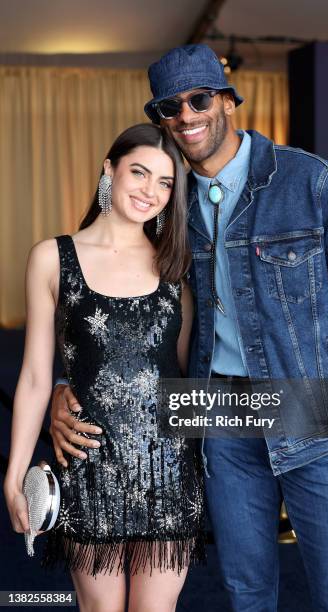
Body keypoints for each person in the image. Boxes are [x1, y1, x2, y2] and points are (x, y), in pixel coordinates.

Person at [48, 45, 328, 611]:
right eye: (170, 106)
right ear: (159, 118)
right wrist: (65, 387)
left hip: (320, 413)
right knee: (246, 593)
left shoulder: (310, 183)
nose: (187, 115)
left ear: (228, 101)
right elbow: (112, 308)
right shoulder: (164, 203)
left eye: (200, 98)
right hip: (218, 420)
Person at [4, 123, 205, 612]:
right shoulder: (52, 258)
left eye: (165, 183)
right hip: (89, 466)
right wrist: (13, 475)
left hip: (168, 471)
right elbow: (34, 375)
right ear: (109, 168)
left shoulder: (176, 266)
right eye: (139, 173)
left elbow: (181, 371)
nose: (150, 192)